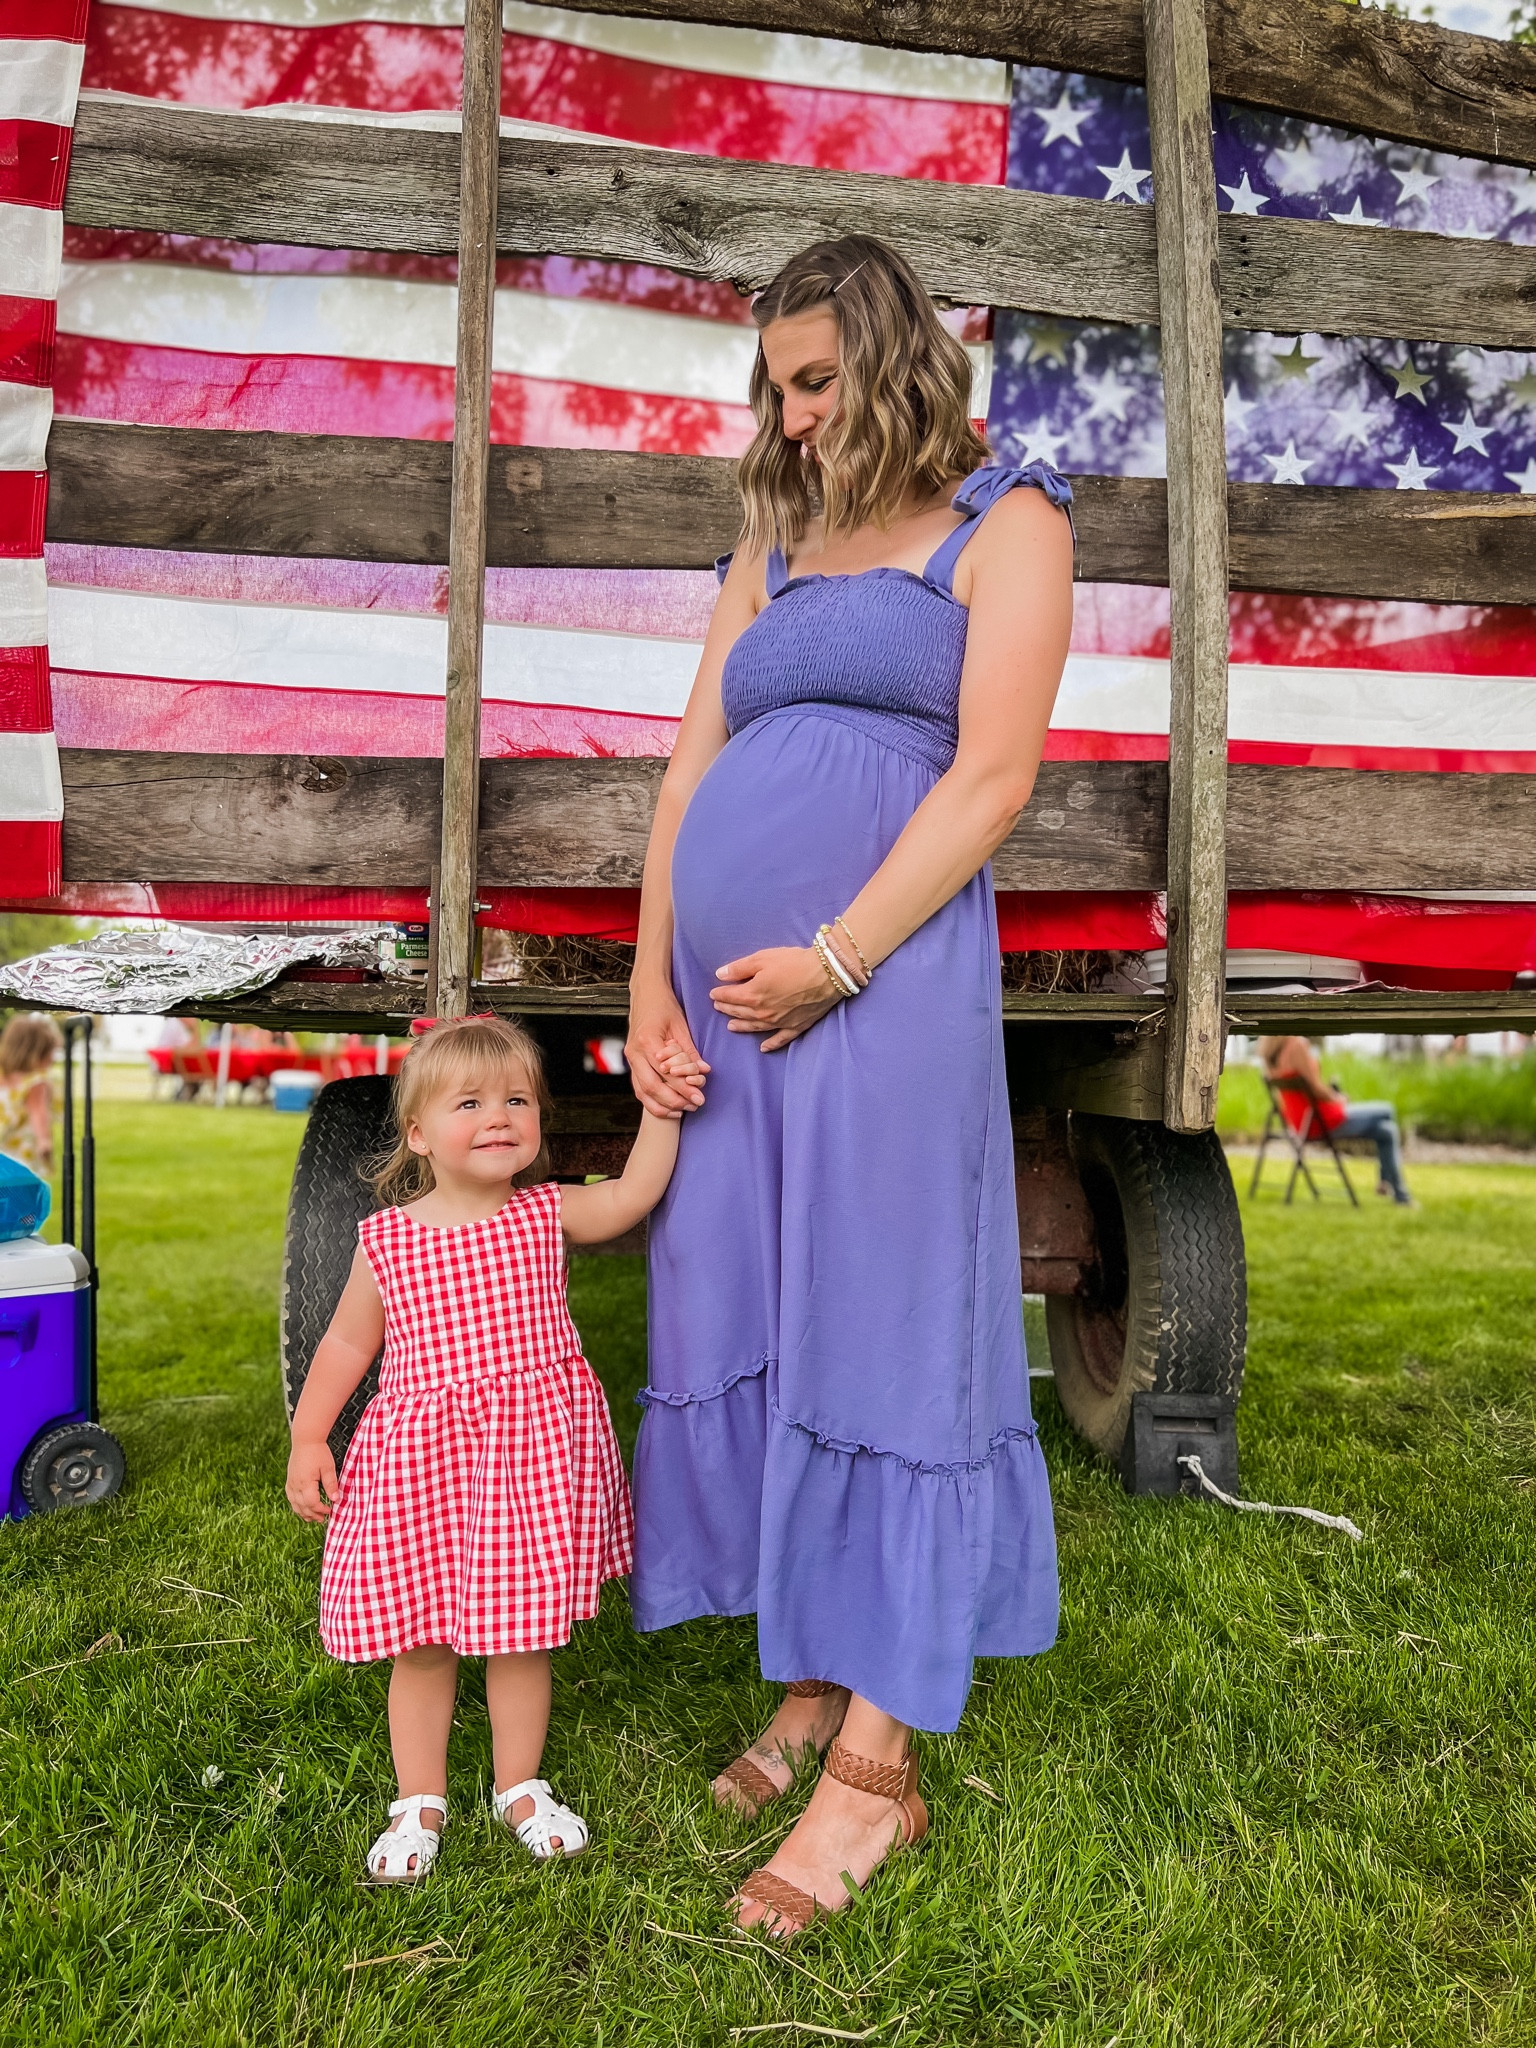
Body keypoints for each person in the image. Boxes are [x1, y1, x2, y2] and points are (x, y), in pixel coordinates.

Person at [624, 234, 1073, 1936]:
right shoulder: (778, 544)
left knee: (885, 1322)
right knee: (760, 1298)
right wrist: (656, 984)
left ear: (892, 361)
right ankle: (812, 1666)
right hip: (732, 1017)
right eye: (777, 389)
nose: (794, 416)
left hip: (876, 986)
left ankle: (875, 1767)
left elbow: (991, 781)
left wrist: (833, 955)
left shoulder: (1004, 525)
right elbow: (691, 767)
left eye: (816, 382)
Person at [283, 1014, 679, 1885]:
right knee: (422, 1640)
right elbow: (349, 1346)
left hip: (528, 1463)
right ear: (419, 1133)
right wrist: (311, 1433)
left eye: (517, 1100)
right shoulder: (389, 1240)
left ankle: (519, 1785)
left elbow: (633, 1195)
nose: (499, 1116)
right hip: (422, 1471)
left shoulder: (543, 1212)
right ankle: (418, 1799)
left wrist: (659, 1105)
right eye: (470, 1102)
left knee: (520, 1634)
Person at [1257, 1035, 1414, 1205]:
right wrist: (1338, 1098)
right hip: (1322, 1120)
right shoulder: (1296, 1045)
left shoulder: (1268, 1051)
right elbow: (1315, 1088)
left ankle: (1395, 1191)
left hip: (1301, 1121)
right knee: (1387, 1110)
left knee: (1386, 1132)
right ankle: (1389, 1186)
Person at [0, 1014, 62, 1176]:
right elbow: (38, 1112)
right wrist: (44, 1142)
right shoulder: (36, 1082)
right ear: (36, 1053)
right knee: (21, 1199)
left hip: (3, 1150)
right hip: (21, 1157)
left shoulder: (3, 1077)